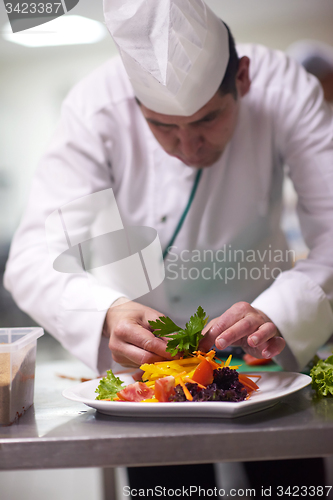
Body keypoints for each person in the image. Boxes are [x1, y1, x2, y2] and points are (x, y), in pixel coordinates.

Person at [4, 0, 333, 378]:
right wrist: (108, 311)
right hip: (140, 361)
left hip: (260, 350)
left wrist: (282, 309)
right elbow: (33, 258)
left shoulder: (285, 88)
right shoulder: (94, 107)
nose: (189, 147)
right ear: (135, 102)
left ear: (242, 78)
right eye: (162, 126)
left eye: (208, 118)